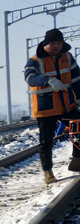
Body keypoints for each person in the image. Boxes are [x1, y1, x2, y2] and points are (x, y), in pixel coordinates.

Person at [25, 28, 80, 185]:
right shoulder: (35, 60)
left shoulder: (67, 57)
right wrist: (47, 80)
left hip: (66, 106)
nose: (56, 46)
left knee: (79, 126)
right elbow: (29, 77)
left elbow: (77, 79)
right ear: (45, 44)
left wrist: (79, 98)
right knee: (46, 141)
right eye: (53, 43)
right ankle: (48, 172)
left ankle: (77, 160)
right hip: (45, 108)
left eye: (59, 43)